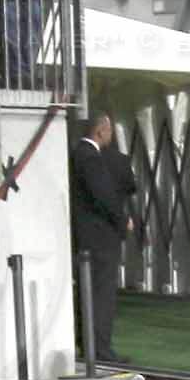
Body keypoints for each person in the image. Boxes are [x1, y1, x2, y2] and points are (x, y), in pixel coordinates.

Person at [70, 109, 142, 365]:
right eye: (109, 130)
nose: (111, 135)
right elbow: (104, 196)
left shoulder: (79, 154)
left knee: (88, 292)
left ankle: (88, 344)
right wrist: (122, 221)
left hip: (87, 236)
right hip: (99, 237)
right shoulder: (89, 157)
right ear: (101, 131)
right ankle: (100, 349)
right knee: (102, 293)